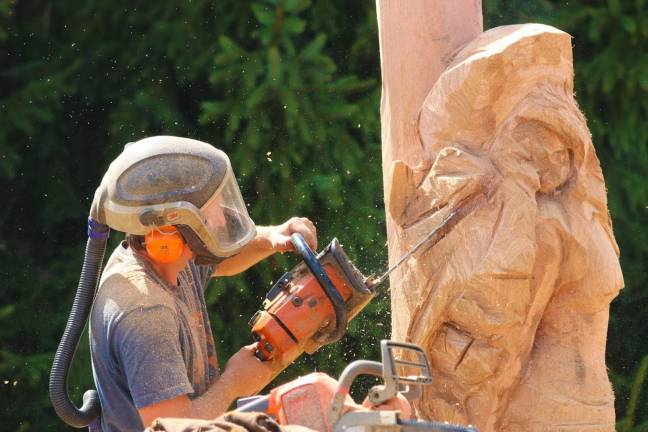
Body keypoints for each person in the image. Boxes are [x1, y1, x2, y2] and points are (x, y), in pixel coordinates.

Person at [88, 136, 318, 431]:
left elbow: (221, 256)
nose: (223, 218)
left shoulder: (168, 258)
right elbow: (170, 427)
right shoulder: (147, 314)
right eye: (213, 208)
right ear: (173, 226)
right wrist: (233, 384)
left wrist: (274, 237)